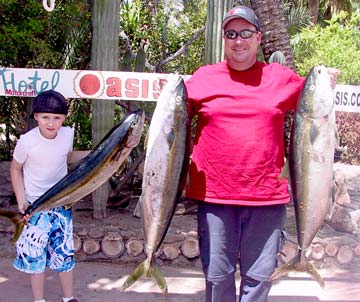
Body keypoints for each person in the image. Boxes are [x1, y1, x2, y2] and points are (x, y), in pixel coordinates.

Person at [184, 5, 339, 302]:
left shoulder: (280, 77)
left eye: (245, 33)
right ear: (223, 39)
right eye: (231, 34)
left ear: (258, 38)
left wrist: (326, 83)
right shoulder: (203, 78)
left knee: (258, 281)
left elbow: (314, 106)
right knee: (217, 279)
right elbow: (173, 121)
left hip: (267, 198)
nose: (238, 40)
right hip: (215, 197)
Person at [10, 90, 89, 302]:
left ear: (64, 118)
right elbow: (16, 168)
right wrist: (21, 201)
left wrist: (96, 153)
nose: (51, 123)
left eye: (57, 118)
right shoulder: (27, 141)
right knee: (36, 257)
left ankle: (68, 298)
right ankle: (39, 300)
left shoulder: (67, 135)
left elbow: (67, 157)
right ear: (36, 116)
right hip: (35, 207)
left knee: (64, 253)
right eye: (45, 117)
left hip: (62, 205)